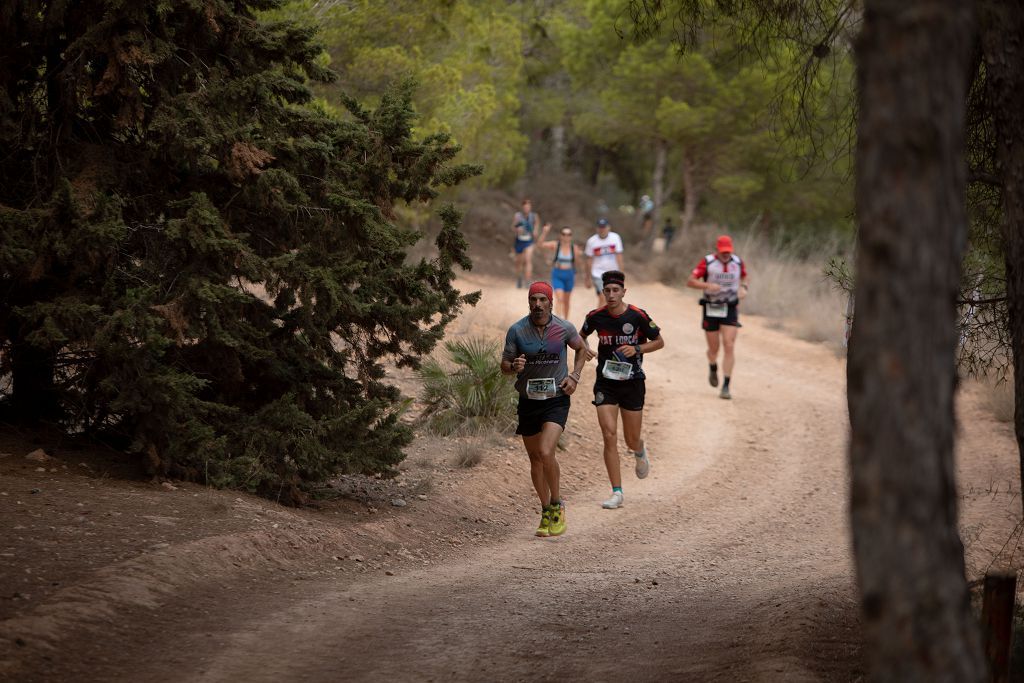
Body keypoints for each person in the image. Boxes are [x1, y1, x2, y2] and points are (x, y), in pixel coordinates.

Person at [502, 281, 590, 537]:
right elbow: (504, 365)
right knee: (535, 459)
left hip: (556, 399)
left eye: (543, 299)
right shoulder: (517, 331)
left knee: (545, 450)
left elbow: (581, 349)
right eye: (534, 300)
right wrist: (514, 367)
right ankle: (544, 510)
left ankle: (557, 504)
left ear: (551, 302)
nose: (538, 304)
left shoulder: (563, 328)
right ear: (528, 302)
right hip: (528, 400)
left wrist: (574, 376)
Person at [580, 270, 664, 509]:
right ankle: (617, 492)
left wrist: (637, 349)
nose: (611, 295)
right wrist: (584, 348)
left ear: (624, 292)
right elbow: (580, 336)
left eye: (616, 290)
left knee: (630, 439)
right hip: (606, 382)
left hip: (632, 382)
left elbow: (659, 341)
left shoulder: (638, 316)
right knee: (609, 435)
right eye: (607, 291)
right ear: (603, 292)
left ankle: (639, 450)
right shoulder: (595, 316)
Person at [686, 234, 749, 400]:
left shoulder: (737, 262)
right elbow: (690, 281)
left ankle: (726, 385)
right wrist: (707, 285)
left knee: (729, 344)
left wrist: (743, 287)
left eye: (728, 251)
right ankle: (712, 366)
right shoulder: (707, 262)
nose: (726, 255)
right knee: (714, 350)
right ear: (717, 250)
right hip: (711, 306)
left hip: (730, 307)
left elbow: (744, 275)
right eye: (723, 252)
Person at [537, 224, 583, 320]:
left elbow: (577, 263)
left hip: (569, 275)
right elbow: (540, 244)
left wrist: (580, 273)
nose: (566, 236)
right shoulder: (555, 245)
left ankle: (566, 321)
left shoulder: (574, 248)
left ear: (571, 236)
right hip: (557, 274)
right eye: (564, 234)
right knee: (559, 298)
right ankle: (558, 321)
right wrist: (545, 232)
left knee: (566, 301)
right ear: (560, 235)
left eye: (568, 234)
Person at [584, 218, 624, 309]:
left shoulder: (615, 238)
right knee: (603, 297)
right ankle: (598, 320)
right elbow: (589, 260)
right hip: (598, 273)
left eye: (604, 227)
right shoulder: (592, 241)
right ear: (597, 228)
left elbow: (619, 256)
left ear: (608, 227)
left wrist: (622, 273)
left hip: (613, 273)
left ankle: (607, 319)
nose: (602, 229)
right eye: (600, 227)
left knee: (612, 298)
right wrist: (588, 278)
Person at [511, 199, 547, 289]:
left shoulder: (534, 216)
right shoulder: (518, 216)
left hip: (529, 241)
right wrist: (517, 229)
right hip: (519, 240)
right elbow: (513, 227)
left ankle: (527, 281)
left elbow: (537, 225)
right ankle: (519, 279)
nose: (527, 208)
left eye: (528, 207)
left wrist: (535, 231)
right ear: (522, 207)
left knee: (528, 260)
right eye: (525, 207)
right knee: (518, 262)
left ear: (530, 207)